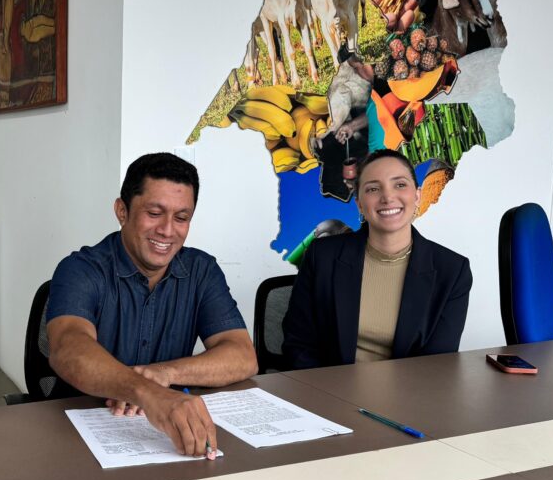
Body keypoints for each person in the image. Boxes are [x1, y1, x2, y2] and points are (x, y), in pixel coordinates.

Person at [46, 153, 258, 459]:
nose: (168, 230)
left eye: (181, 218)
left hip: (162, 435)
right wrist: (147, 391)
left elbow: (242, 356)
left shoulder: (202, 271)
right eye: (155, 213)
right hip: (78, 434)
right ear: (122, 211)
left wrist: (164, 373)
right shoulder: (80, 269)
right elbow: (68, 348)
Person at [281, 148, 472, 369]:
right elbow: (298, 344)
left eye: (400, 185)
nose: (388, 197)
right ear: (360, 204)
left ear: (417, 195)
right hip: (328, 386)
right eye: (373, 188)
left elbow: (436, 366)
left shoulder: (452, 271)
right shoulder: (322, 256)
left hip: (411, 389)